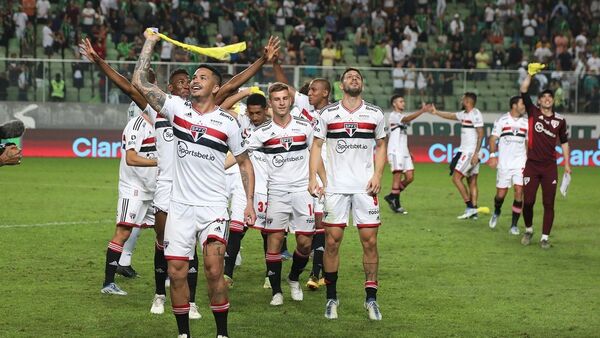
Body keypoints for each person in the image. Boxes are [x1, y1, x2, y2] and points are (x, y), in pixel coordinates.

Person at [133, 29, 256, 338]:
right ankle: (184, 334)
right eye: (194, 76)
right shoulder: (177, 108)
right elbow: (140, 83)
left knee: (215, 270)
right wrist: (150, 42)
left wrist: (250, 201)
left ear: (215, 87)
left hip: (214, 207)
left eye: (203, 76)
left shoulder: (228, 123)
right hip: (181, 207)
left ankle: (222, 334)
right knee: (176, 273)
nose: (196, 79)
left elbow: (244, 162)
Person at [80, 38, 159, 297]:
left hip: (156, 187)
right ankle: (108, 283)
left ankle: (166, 279)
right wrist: (161, 161)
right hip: (134, 187)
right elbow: (132, 158)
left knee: (166, 231)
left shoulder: (163, 120)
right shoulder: (136, 125)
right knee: (123, 231)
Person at [309, 68, 387, 321]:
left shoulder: (375, 113)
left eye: (358, 77)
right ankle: (331, 297)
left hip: (365, 187)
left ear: (362, 85)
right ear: (341, 85)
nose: (354, 78)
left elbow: (382, 144)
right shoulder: (327, 113)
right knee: (331, 243)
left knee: (370, 242)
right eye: (349, 77)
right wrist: (315, 177)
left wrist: (377, 175)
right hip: (336, 188)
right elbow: (317, 146)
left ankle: (371, 299)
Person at [242, 82, 316, 307]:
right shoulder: (261, 133)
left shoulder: (305, 126)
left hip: (303, 191)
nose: (282, 102)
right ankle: (276, 291)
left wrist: (320, 180)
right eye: (277, 99)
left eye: (285, 98)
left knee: (304, 243)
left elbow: (317, 154)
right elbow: (241, 157)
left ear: (290, 100)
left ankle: (293, 278)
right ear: (270, 104)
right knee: (273, 242)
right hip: (276, 192)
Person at [273, 56, 331, 290]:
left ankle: (317, 273)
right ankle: (311, 272)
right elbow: (286, 87)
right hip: (305, 174)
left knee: (322, 223)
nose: (310, 92)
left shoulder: (334, 113)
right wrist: (275, 63)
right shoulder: (306, 107)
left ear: (326, 92)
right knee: (311, 225)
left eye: (315, 90)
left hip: (327, 172)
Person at [519, 63, 571, 249]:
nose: (547, 99)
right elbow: (524, 90)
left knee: (549, 203)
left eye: (550, 97)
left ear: (553, 101)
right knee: (529, 202)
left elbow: (564, 142)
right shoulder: (533, 113)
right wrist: (530, 74)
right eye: (544, 97)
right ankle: (529, 229)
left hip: (550, 167)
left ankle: (544, 238)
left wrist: (567, 163)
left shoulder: (560, 121)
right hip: (532, 166)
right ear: (539, 101)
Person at [431, 93, 484, 219]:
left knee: (456, 178)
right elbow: (450, 115)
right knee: (471, 181)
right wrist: (435, 112)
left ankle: (470, 207)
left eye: (462, 99)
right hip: (466, 151)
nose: (461, 100)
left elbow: (481, 133)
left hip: (470, 153)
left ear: (467, 101)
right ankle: (474, 212)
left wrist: (476, 153)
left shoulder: (475, 114)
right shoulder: (464, 114)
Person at [487, 96, 528, 235]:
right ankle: (497, 211)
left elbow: (528, 142)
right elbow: (493, 138)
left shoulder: (527, 122)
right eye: (522, 104)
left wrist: (530, 160)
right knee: (500, 195)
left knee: (518, 190)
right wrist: (492, 156)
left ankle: (514, 225)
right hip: (504, 163)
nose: (524, 106)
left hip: (520, 163)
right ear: (514, 105)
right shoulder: (502, 120)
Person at [383, 95, 430, 214]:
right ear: (394, 104)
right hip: (395, 151)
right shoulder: (394, 116)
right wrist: (422, 111)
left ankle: (392, 196)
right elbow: (407, 119)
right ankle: (397, 204)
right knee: (397, 176)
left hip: (403, 151)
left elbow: (401, 135)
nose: (403, 103)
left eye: (403, 101)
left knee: (409, 177)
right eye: (401, 101)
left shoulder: (400, 116)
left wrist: (408, 150)